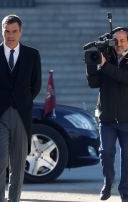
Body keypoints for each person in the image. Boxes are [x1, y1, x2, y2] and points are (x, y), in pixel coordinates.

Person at [0, 14, 41, 202]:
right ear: (2, 31)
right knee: (0, 161)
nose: (10, 35)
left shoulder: (32, 55)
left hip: (21, 115)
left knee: (18, 164)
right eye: (7, 31)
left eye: (14, 31)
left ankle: (14, 199)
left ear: (20, 32)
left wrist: (23, 101)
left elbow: (35, 85)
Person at [86, 27, 128, 202]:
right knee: (106, 153)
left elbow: (124, 77)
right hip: (107, 117)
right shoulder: (106, 57)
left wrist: (104, 65)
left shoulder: (108, 62)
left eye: (123, 40)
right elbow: (94, 83)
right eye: (115, 40)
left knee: (127, 156)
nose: (119, 44)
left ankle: (125, 191)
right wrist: (91, 63)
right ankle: (108, 183)